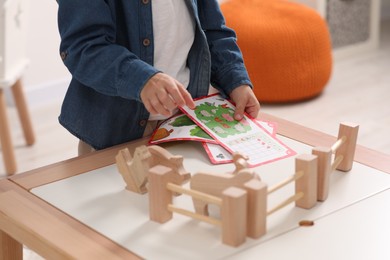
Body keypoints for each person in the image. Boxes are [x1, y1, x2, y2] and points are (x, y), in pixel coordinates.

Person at [56, 0, 260, 155]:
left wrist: (236, 80)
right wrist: (142, 79)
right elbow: (83, 47)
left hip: (188, 119)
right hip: (117, 132)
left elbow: (213, 29)